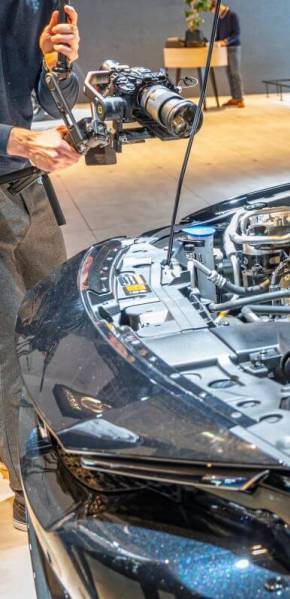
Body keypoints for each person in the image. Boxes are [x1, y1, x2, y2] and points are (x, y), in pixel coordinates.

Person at [0, 0, 82, 530]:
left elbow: (54, 98)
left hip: (25, 190)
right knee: (11, 350)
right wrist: (11, 139)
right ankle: (34, 494)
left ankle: (63, 467)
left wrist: (64, 64)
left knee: (58, 335)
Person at [212, 3, 244, 108]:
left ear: (218, 6)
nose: (213, 13)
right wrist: (215, 42)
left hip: (233, 48)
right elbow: (218, 34)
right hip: (223, 50)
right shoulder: (219, 18)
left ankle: (240, 99)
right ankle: (234, 98)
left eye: (213, 10)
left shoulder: (232, 15)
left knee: (235, 73)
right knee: (228, 73)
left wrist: (225, 41)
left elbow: (237, 34)